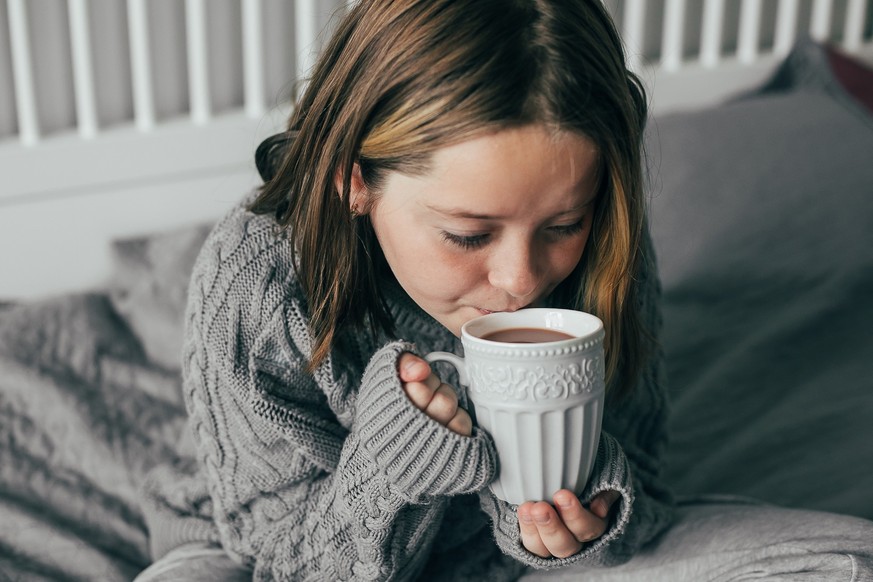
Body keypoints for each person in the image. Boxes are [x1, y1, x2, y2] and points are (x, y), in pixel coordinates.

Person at [135, 1, 873, 580]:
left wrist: (590, 512)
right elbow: (290, 569)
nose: (523, 281)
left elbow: (645, 483)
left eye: (562, 223)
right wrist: (392, 467)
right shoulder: (260, 281)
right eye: (467, 234)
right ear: (352, 180)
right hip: (279, 550)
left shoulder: (603, 246)